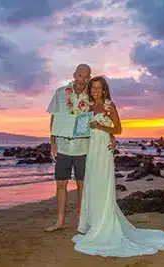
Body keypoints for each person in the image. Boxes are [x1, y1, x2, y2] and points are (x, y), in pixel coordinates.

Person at [72, 76, 164, 257]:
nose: (95, 91)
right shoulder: (87, 106)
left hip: (103, 150)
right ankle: (95, 224)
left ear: (104, 90)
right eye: (93, 88)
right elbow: (83, 130)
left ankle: (106, 227)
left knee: (103, 187)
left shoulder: (109, 106)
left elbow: (118, 129)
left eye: (99, 88)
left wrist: (103, 129)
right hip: (91, 150)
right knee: (93, 186)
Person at [45, 64, 116, 232]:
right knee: (61, 183)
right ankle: (60, 220)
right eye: (80, 76)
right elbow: (54, 118)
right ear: (74, 75)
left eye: (86, 77)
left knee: (82, 184)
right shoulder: (61, 93)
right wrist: (52, 143)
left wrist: (111, 136)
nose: (83, 80)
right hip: (63, 145)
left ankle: (80, 220)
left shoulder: (91, 95)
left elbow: (102, 117)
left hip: (84, 147)